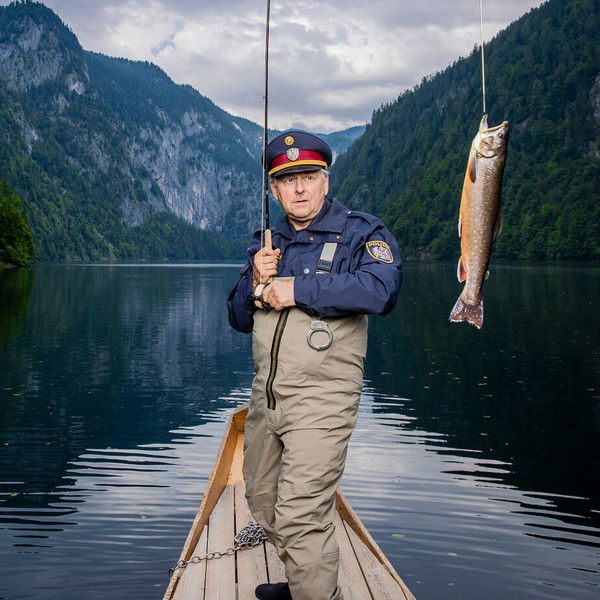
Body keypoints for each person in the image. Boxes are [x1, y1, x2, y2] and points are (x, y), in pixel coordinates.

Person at [227, 130, 402, 600]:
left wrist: (297, 288)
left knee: (301, 513)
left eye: (309, 176)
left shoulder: (362, 232)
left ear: (325, 180)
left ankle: (317, 594)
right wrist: (254, 280)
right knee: (262, 498)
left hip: (323, 402)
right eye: (288, 180)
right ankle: (305, 583)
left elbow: (381, 290)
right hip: (266, 400)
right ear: (274, 190)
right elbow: (238, 318)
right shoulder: (268, 243)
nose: (300, 187)